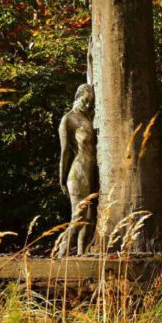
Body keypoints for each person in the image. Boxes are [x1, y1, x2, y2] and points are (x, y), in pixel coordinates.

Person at [58, 84, 98, 256]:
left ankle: (81, 254)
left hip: (91, 173)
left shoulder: (89, 118)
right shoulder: (68, 119)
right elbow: (65, 151)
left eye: (91, 102)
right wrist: (61, 177)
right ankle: (61, 253)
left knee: (88, 218)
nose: (88, 105)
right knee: (78, 217)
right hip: (78, 172)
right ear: (77, 96)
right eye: (85, 100)